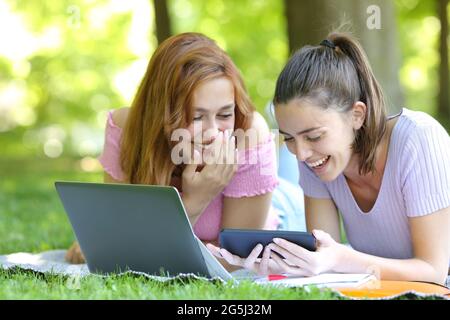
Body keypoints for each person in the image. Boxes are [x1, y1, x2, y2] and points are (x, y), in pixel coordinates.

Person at [208, 32, 450, 286]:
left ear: (357, 115)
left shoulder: (418, 139)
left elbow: (433, 270)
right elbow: (324, 258)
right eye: (289, 138)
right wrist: (286, 264)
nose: (300, 154)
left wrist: (342, 258)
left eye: (313, 136)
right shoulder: (319, 160)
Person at [65, 32, 281, 268]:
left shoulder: (249, 132)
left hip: (277, 209)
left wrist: (197, 201)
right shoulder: (127, 128)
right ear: (162, 114)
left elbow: (236, 259)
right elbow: (121, 238)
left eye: (224, 114)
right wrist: (194, 201)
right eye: (196, 116)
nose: (211, 133)